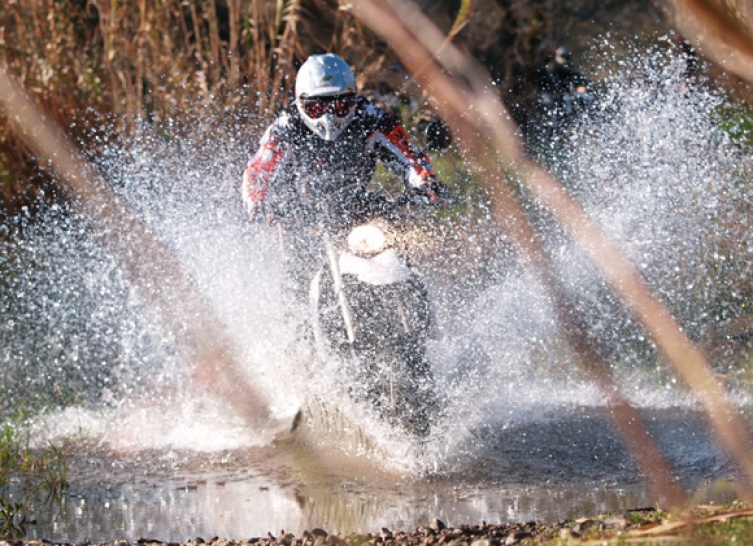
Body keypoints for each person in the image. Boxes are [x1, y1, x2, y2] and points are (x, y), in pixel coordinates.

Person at [241, 53, 449, 296]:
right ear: (301, 102)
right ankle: (294, 326)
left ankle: (424, 318)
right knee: (295, 276)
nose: (329, 116)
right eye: (317, 106)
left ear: (353, 98)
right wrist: (257, 201)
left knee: (401, 254)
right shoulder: (287, 127)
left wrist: (427, 182)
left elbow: (408, 155)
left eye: (340, 105)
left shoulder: (371, 118)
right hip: (303, 216)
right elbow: (258, 171)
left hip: (358, 209)